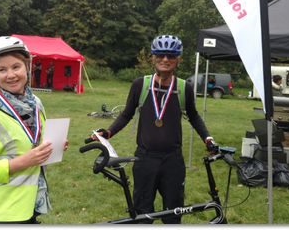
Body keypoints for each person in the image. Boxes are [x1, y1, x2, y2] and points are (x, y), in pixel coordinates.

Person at [90, 35, 216, 224]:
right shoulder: (140, 85)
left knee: (174, 213)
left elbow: (194, 115)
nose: (165, 59)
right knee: (142, 214)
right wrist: (107, 133)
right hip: (145, 158)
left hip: (173, 160)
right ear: (153, 58)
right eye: (161, 55)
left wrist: (208, 138)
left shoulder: (184, 88)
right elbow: (126, 114)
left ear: (178, 59)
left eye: (171, 56)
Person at [0, 36, 68, 224]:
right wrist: (21, 163)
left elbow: (28, 142)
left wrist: (50, 147)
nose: (11, 75)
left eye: (16, 67)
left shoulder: (36, 105)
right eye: (2, 70)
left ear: (27, 67)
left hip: (29, 207)